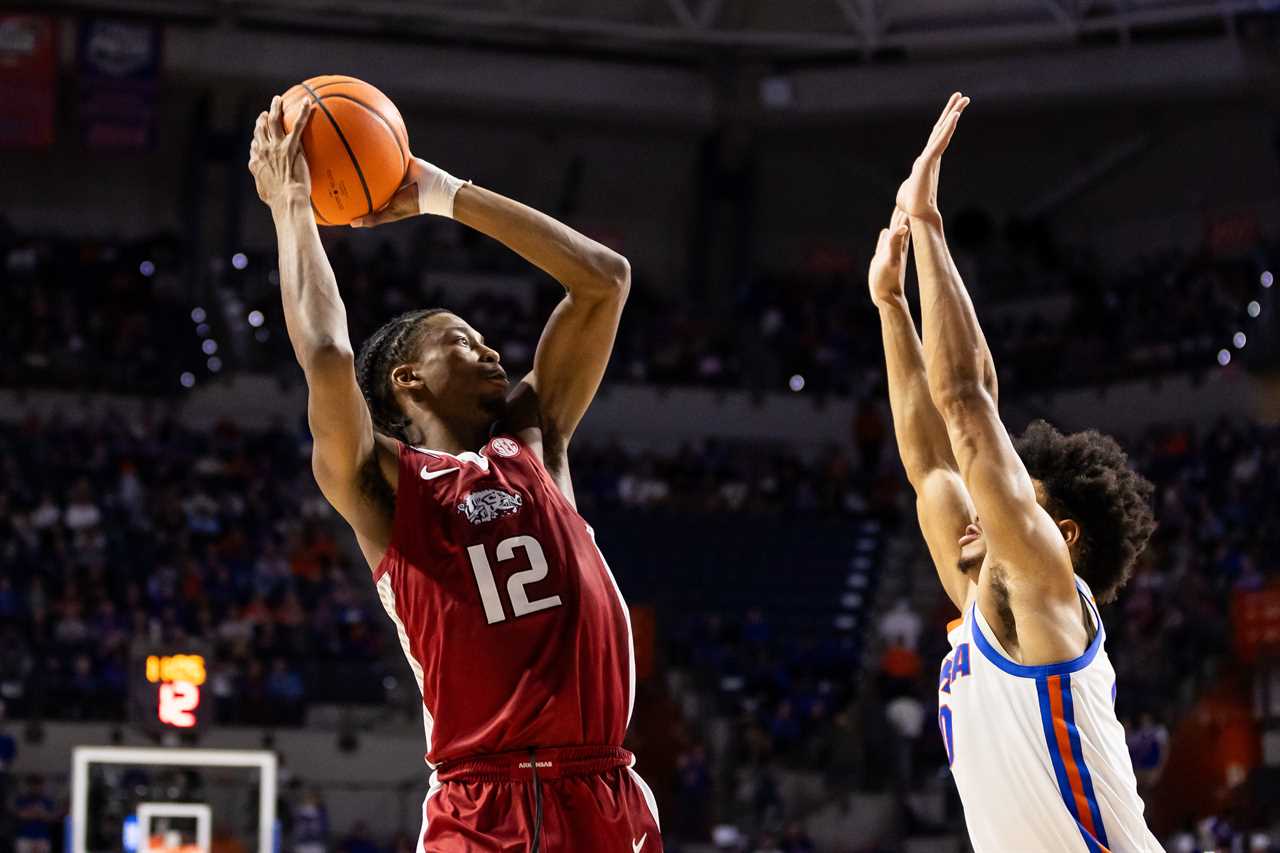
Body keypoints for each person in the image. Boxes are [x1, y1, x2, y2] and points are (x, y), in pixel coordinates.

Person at [249, 95, 660, 851]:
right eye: (463, 342)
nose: (494, 352)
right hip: (484, 807)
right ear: (408, 379)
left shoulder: (537, 442)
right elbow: (331, 357)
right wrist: (292, 208)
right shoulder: (381, 486)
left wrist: (441, 192)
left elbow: (605, 279)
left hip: (604, 792)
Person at [867, 93, 1161, 851]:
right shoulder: (981, 601)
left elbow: (965, 404)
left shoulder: (1044, 588)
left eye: (1010, 501)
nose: (979, 508)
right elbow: (929, 461)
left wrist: (929, 225)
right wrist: (890, 303)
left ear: (1059, 533)